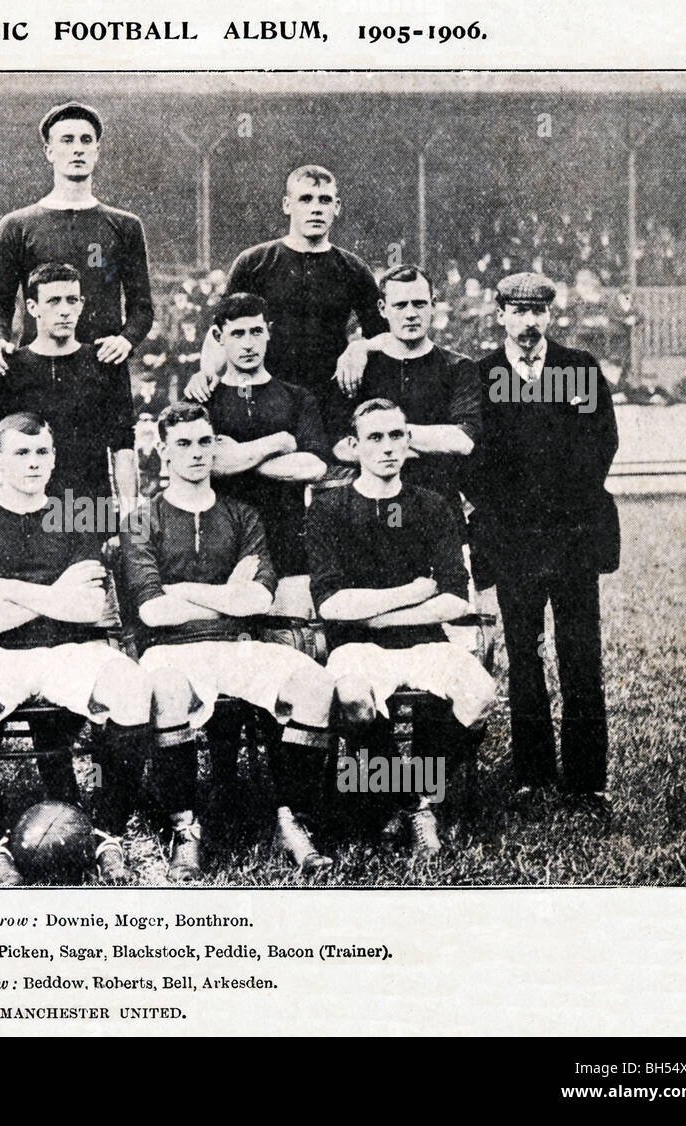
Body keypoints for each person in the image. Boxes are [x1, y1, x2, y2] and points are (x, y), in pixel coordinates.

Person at [120, 401, 340, 882]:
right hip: (169, 648)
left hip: (239, 643)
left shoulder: (243, 515)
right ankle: (185, 830)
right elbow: (153, 610)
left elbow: (259, 599)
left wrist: (185, 591)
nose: (197, 453)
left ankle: (292, 819)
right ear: (163, 451)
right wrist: (227, 594)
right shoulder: (142, 520)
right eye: (183, 444)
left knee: (316, 685)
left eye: (205, 441)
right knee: (168, 690)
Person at [0, 412, 153, 886]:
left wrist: (7, 589)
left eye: (42, 452)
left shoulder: (75, 512)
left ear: (55, 457)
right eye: (21, 452)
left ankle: (107, 835)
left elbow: (88, 608)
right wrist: (57, 593)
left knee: (132, 685)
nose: (34, 463)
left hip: (71, 648)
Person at [306, 398, 497, 856]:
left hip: (423, 640)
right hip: (357, 645)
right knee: (352, 697)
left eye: (396, 436)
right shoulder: (329, 509)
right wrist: (413, 591)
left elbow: (454, 595)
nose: (387, 447)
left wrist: (382, 613)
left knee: (482, 693)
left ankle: (411, 799)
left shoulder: (432, 506)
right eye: (375, 437)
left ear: (409, 443)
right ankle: (413, 803)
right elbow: (332, 603)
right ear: (353, 446)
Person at [466, 272, 620, 818]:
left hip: (573, 535)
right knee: (524, 657)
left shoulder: (579, 369)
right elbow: (473, 458)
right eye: (517, 310)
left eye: (538, 312)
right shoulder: (481, 375)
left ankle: (586, 781)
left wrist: (561, 505)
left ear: (550, 316)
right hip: (513, 541)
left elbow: (603, 441)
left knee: (580, 655)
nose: (529, 322)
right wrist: (510, 511)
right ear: (500, 314)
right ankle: (531, 775)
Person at [187, 165, 389, 406]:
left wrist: (361, 348)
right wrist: (207, 372)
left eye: (324, 200)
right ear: (287, 205)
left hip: (330, 397)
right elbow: (221, 329)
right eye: (305, 199)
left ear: (336, 207)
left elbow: (384, 335)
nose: (316, 208)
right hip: (266, 394)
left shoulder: (354, 268)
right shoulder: (254, 262)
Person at [0, 103, 153, 379]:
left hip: (102, 370)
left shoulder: (126, 225)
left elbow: (141, 307)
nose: (77, 148)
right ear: (49, 151)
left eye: (86, 140)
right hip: (38, 372)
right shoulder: (16, 225)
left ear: (96, 152)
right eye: (67, 140)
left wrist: (126, 340)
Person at [193, 292, 331, 604]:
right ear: (218, 336)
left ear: (268, 331)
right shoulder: (203, 400)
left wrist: (236, 456)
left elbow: (314, 466)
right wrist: (277, 444)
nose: (248, 344)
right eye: (237, 334)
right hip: (220, 546)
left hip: (286, 543)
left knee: (291, 639)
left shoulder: (297, 397)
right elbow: (202, 462)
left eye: (256, 332)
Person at [323, 264, 482, 517]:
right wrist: (423, 445)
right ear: (382, 309)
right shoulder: (357, 368)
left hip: (438, 511)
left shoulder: (459, 368)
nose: (411, 314)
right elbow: (339, 445)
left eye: (419, 304)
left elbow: (462, 440)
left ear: (433, 305)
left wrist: (377, 440)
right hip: (369, 512)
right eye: (400, 305)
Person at [0, 262, 136, 506]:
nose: (65, 310)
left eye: (72, 300)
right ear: (32, 307)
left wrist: (130, 519)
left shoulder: (105, 361)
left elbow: (123, 447)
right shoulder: (7, 366)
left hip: (88, 511)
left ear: (81, 305)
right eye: (53, 301)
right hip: (24, 514)